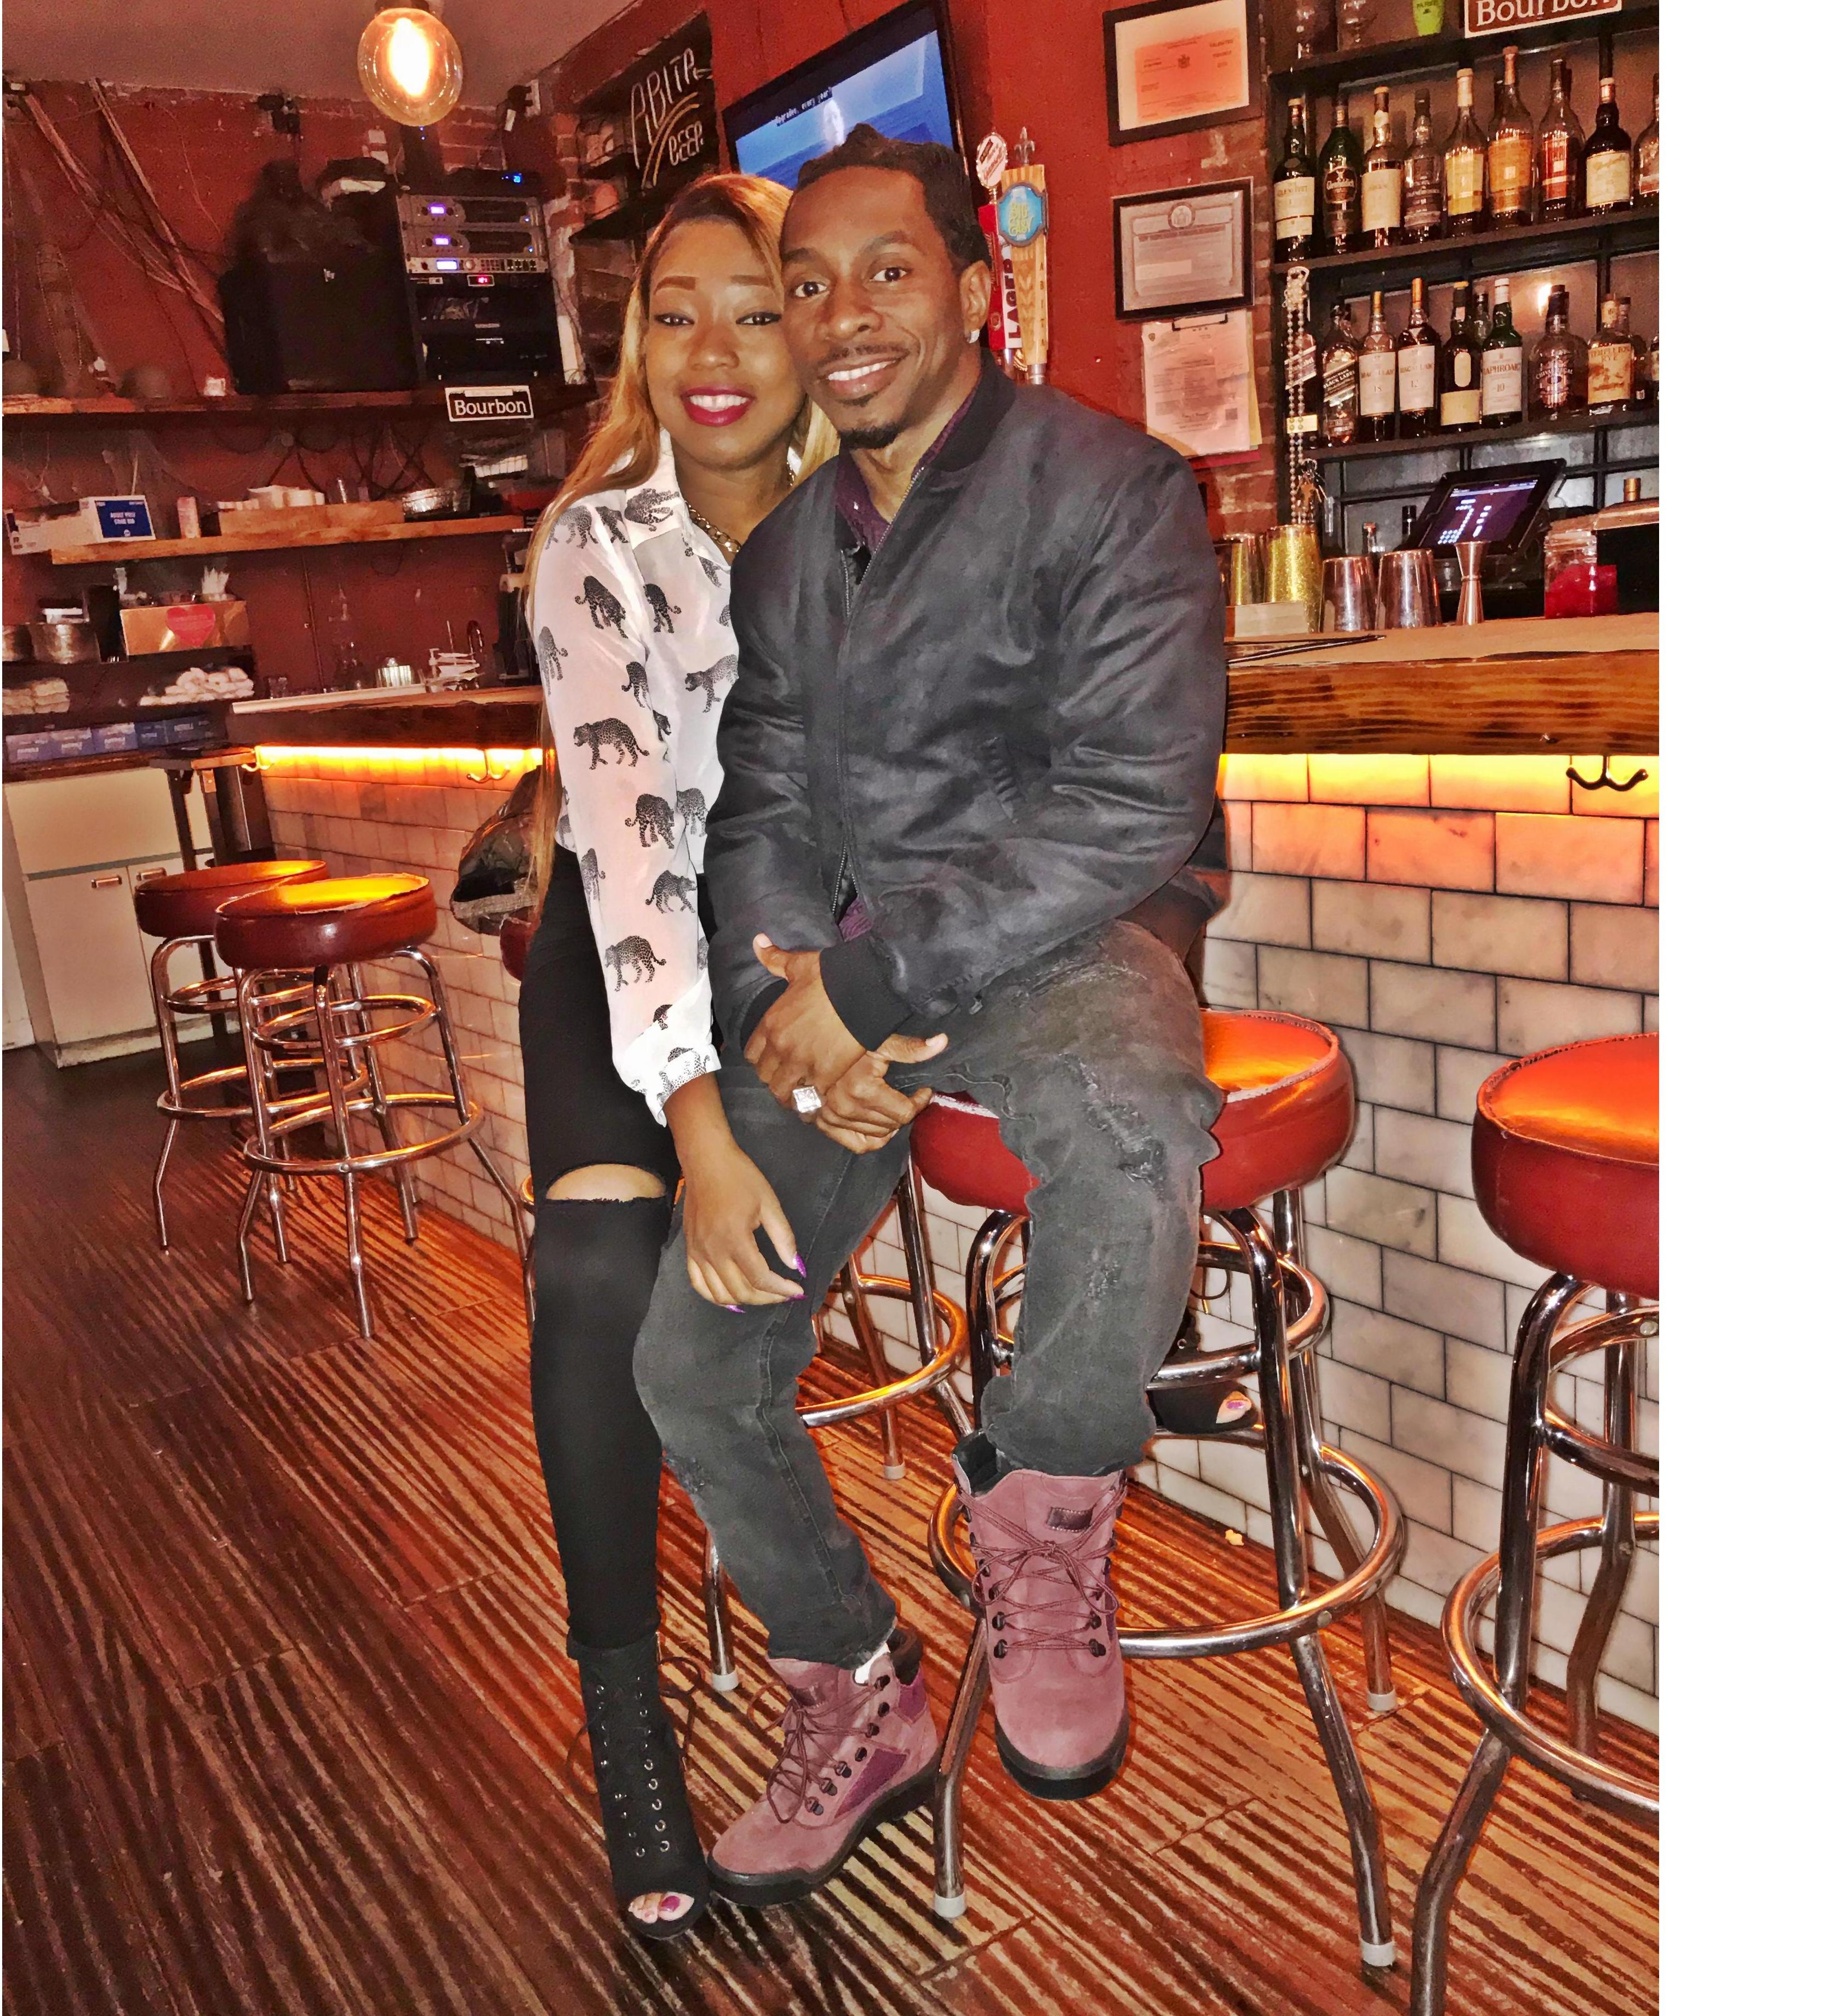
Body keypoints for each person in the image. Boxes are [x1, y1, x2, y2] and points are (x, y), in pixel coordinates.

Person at [631, 125, 1231, 1909]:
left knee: (1132, 1137)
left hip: (1065, 943)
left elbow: (1129, 804)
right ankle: (855, 1682)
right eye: (808, 286)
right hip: (845, 975)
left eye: (886, 273)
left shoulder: (1112, 488)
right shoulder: (788, 555)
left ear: (974, 290)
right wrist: (785, 996)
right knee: (689, 1357)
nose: (843, 317)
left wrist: (873, 988)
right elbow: (759, 807)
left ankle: (1043, 1517)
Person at [518, 171, 835, 1941]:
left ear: (814, 332)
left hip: (785, 950)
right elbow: (634, 867)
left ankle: (846, 1665)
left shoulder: (872, 523)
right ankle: (629, 1735)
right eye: (677, 311)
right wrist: (699, 1127)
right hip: (619, 943)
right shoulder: (596, 545)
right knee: (595, 1268)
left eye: (756, 309)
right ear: (639, 344)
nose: (715, 350)